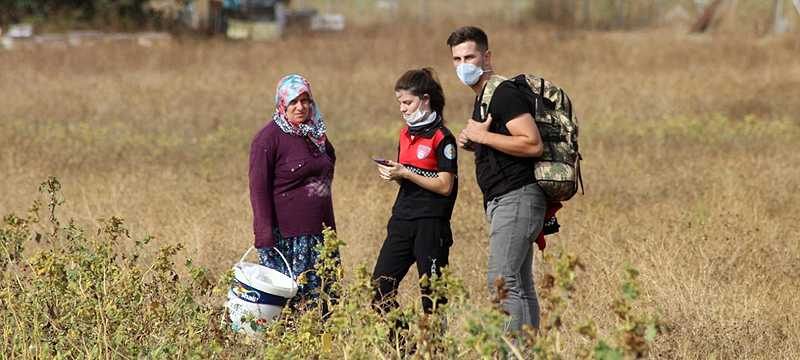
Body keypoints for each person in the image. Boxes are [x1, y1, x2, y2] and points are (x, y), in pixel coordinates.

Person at [447, 26, 546, 332]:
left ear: (486, 56)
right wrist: (476, 140)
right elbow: (499, 141)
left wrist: (484, 136)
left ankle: (512, 352)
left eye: (470, 56)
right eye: (457, 59)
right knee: (520, 282)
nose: (464, 65)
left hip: (517, 195)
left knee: (501, 281)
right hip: (506, 199)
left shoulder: (503, 94)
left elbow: (532, 143)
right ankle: (529, 353)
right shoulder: (484, 97)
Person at [371, 68, 458, 316]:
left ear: (425, 99)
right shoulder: (404, 133)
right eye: (400, 103)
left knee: (433, 299)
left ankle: (435, 352)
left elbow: (444, 185)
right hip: (402, 220)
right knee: (379, 290)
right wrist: (395, 174)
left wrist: (406, 173)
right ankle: (404, 348)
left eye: (407, 102)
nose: (403, 108)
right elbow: (412, 177)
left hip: (431, 224)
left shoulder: (443, 138)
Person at [249, 74, 337, 308]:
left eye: (306, 100)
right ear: (282, 104)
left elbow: (326, 174)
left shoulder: (316, 135)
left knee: (324, 305)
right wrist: (264, 237)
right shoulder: (267, 140)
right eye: (294, 102)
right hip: (287, 239)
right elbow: (259, 192)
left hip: (320, 234)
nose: (301, 107)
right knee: (291, 307)